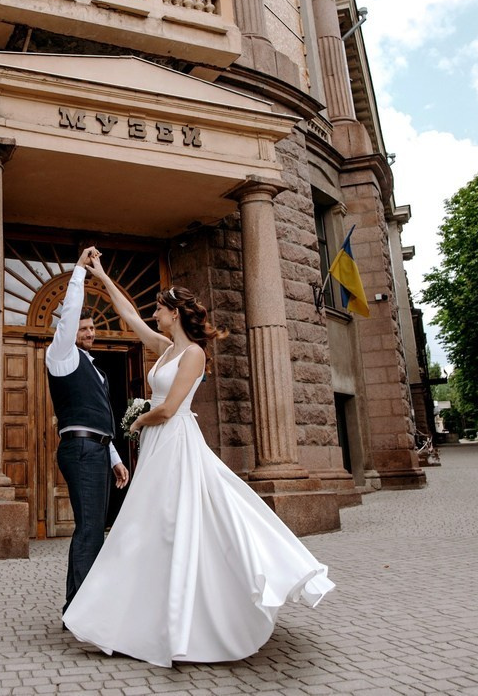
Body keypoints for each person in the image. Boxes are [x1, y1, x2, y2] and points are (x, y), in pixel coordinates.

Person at [63, 254, 334, 666]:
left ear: (174, 314)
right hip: (158, 445)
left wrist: (137, 422)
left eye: (159, 308)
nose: (153, 314)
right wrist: (100, 276)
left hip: (174, 442)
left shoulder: (193, 356)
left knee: (175, 523)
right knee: (148, 526)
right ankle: (129, 615)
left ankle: (190, 616)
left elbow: (170, 408)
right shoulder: (165, 348)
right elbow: (129, 315)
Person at [46, 246, 130, 615]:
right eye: (82, 326)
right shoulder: (60, 356)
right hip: (79, 451)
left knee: (95, 527)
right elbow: (69, 317)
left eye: (93, 327)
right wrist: (80, 272)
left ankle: (79, 605)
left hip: (96, 450)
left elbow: (99, 418)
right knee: (90, 528)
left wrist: (115, 458)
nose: (89, 331)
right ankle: (80, 609)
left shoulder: (96, 369)